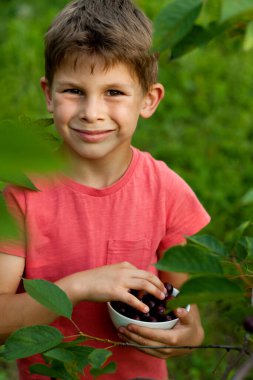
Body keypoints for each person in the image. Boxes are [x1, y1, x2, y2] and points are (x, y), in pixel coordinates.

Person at [0, 0, 211, 379]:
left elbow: (188, 309)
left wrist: (190, 334)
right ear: (48, 94)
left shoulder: (166, 191)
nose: (92, 111)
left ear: (149, 99)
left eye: (114, 92)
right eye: (74, 91)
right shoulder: (23, 194)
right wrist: (77, 287)